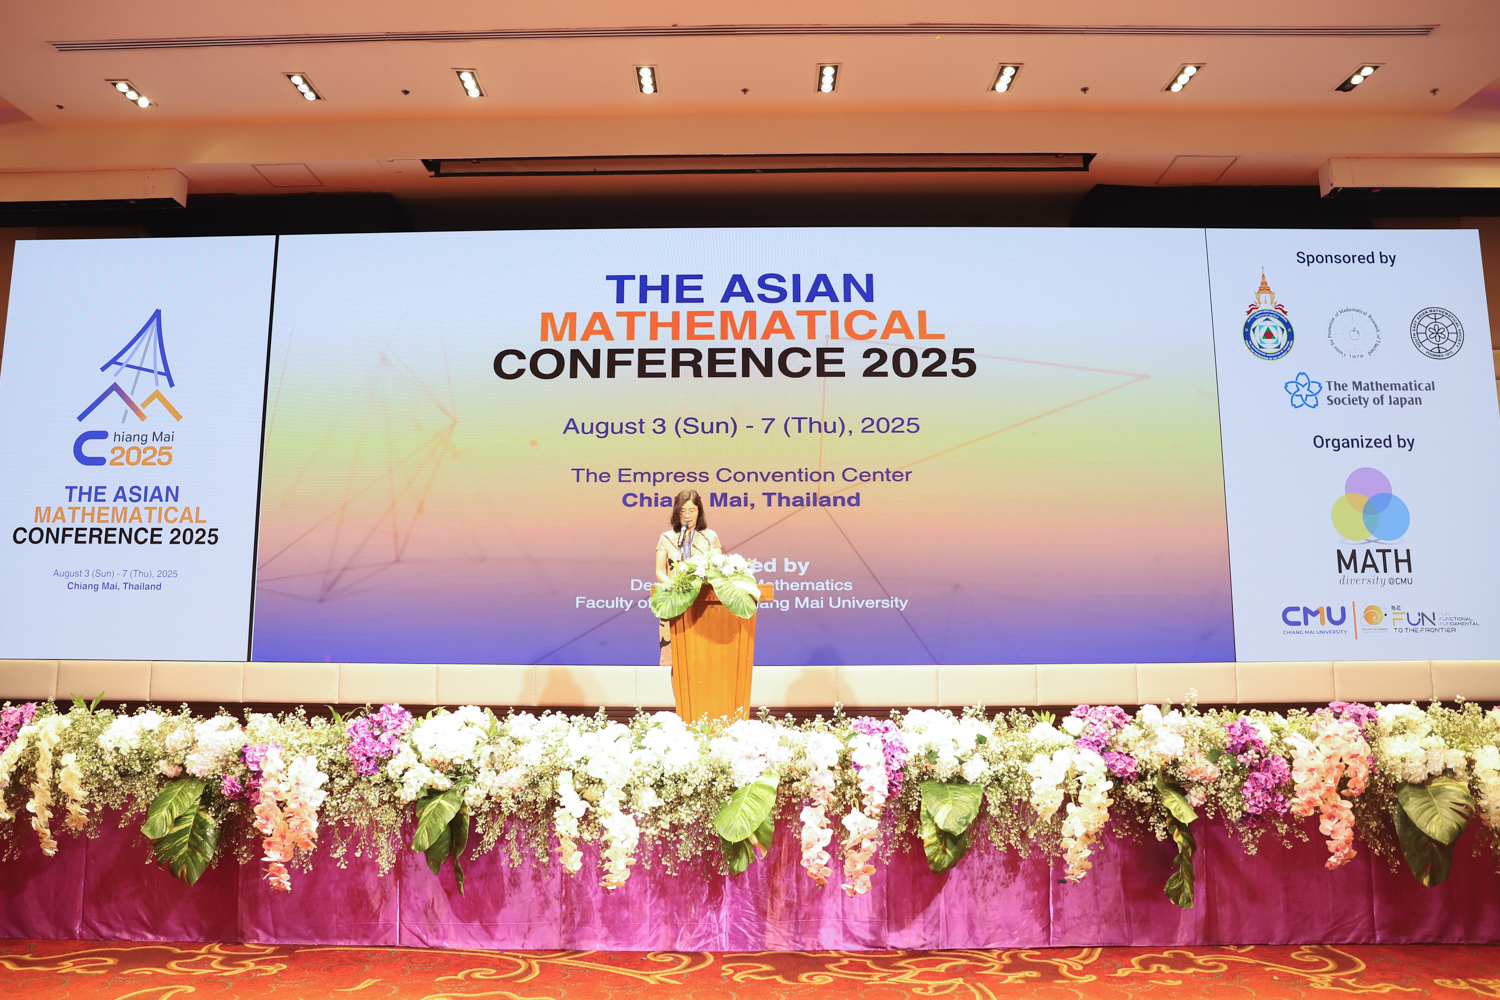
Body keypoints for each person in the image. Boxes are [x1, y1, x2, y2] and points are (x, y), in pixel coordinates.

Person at [654, 489, 722, 666]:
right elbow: (660, 572)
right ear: (677, 512)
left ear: (699, 511)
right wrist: (675, 587)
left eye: (692, 510)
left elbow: (717, 568)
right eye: (683, 511)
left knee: (703, 659)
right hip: (674, 601)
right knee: (676, 662)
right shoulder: (666, 537)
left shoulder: (710, 536)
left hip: (703, 603)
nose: (687, 515)